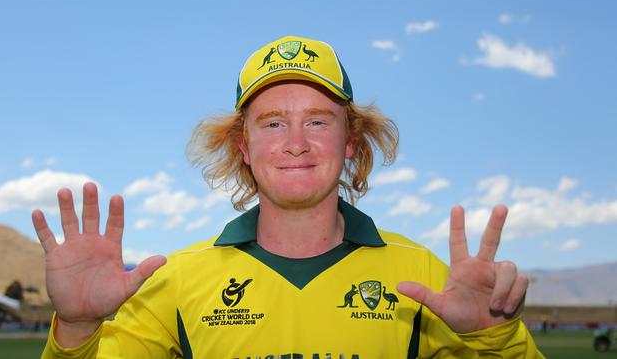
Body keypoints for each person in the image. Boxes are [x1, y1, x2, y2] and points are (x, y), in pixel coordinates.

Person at [34, 36, 544, 358]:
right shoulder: (173, 282)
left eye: (318, 122)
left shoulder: (425, 279)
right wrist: (77, 331)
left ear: (350, 143)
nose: (296, 142)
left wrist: (497, 339)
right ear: (245, 147)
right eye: (273, 123)